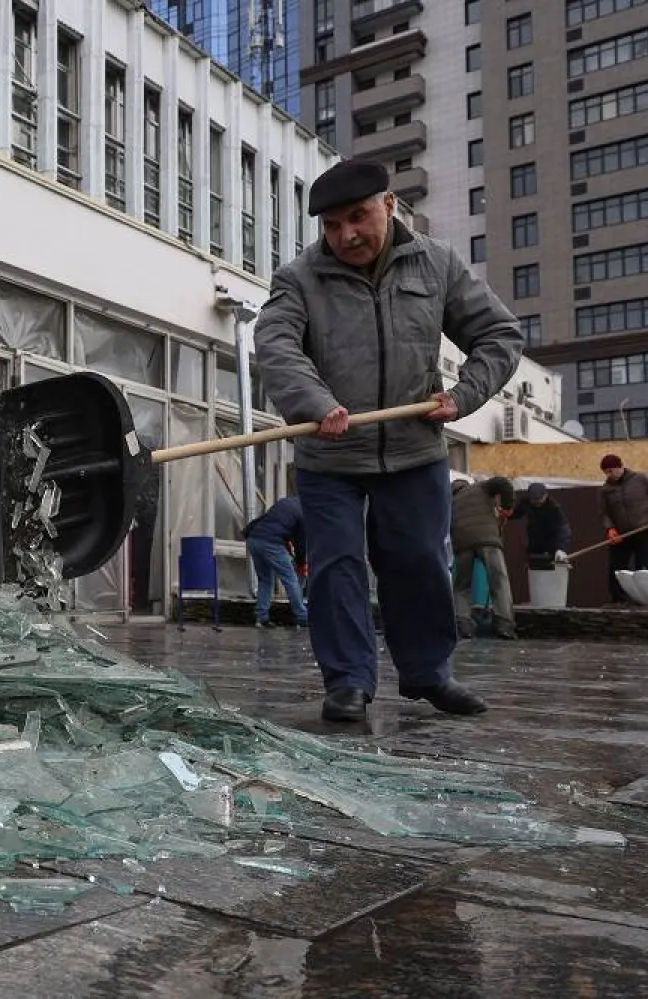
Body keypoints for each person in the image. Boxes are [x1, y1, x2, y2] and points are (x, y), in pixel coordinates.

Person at [254, 157, 524, 723]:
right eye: (332, 225)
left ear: (390, 205)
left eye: (358, 217)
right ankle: (348, 681)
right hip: (330, 455)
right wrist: (315, 403)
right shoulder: (298, 278)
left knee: (420, 560)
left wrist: (465, 394)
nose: (346, 235)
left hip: (414, 449)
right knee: (336, 564)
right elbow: (276, 347)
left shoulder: (438, 263)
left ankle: (428, 673)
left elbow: (498, 333)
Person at [598, 454, 648, 604]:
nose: (609, 475)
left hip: (643, 530)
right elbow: (604, 513)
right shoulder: (605, 490)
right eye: (606, 472)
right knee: (617, 569)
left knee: (645, 569)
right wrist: (610, 528)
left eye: (611, 470)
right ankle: (618, 601)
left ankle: (644, 601)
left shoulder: (641, 479)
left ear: (620, 467)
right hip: (621, 535)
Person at [450, 476, 517, 640]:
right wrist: (506, 508)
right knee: (498, 582)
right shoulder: (480, 487)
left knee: (461, 586)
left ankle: (463, 625)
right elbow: (503, 483)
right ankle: (504, 625)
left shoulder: (451, 502)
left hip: (462, 544)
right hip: (488, 540)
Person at [243, 495, 309, 629]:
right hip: (271, 543)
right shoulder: (305, 513)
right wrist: (301, 562)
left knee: (265, 580)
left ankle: (261, 618)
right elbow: (301, 542)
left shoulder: (286, 502)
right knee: (290, 579)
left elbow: (271, 521)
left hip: (253, 538)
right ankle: (302, 617)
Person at [508, 482, 572, 564]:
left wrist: (561, 549)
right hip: (535, 544)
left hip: (551, 544)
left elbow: (563, 528)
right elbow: (516, 513)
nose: (537, 503)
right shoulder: (526, 502)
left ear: (545, 496)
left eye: (539, 500)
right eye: (534, 500)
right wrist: (503, 515)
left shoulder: (554, 507)